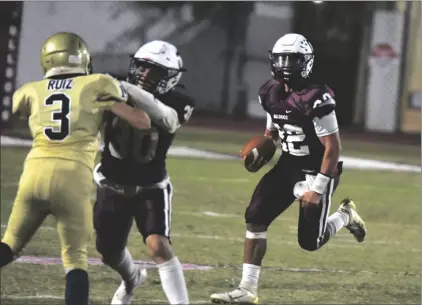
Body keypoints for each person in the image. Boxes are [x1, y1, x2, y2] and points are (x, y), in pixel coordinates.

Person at [210, 33, 367, 304]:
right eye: (281, 59)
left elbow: (333, 148)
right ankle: (248, 289)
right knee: (256, 215)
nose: (285, 65)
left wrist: (317, 189)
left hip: (317, 169)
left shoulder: (317, 96)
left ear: (305, 62)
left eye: (292, 60)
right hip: (288, 165)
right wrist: (261, 150)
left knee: (310, 242)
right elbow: (272, 132)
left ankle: (345, 215)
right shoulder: (270, 92)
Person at [0, 32, 151, 305]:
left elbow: (17, 110)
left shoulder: (30, 90)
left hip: (34, 173)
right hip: (73, 176)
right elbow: (141, 121)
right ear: (81, 58)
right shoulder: (97, 83)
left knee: (9, 244)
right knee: (75, 259)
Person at [93, 40, 194, 305]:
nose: (145, 75)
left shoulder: (179, 100)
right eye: (143, 68)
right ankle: (132, 278)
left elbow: (167, 119)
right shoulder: (112, 86)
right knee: (108, 252)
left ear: (170, 77)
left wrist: (123, 89)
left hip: (151, 186)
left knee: (158, 245)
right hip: (111, 183)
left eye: (156, 71)